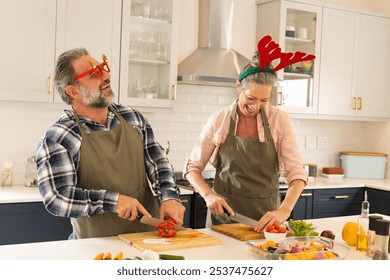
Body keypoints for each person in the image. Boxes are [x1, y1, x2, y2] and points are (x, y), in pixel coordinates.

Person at [36, 48, 185, 239]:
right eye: (94, 74)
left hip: (149, 238)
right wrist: (112, 201)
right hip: (95, 244)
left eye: (102, 68)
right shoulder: (60, 136)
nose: (105, 76)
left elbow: (158, 163)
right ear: (73, 91)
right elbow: (57, 198)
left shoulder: (133, 118)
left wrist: (170, 196)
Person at [184, 36, 312, 232]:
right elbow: (192, 168)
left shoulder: (280, 120)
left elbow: (297, 173)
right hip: (224, 218)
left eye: (264, 100)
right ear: (238, 87)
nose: (255, 106)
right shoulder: (219, 120)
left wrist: (284, 210)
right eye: (251, 97)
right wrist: (208, 195)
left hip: (266, 218)